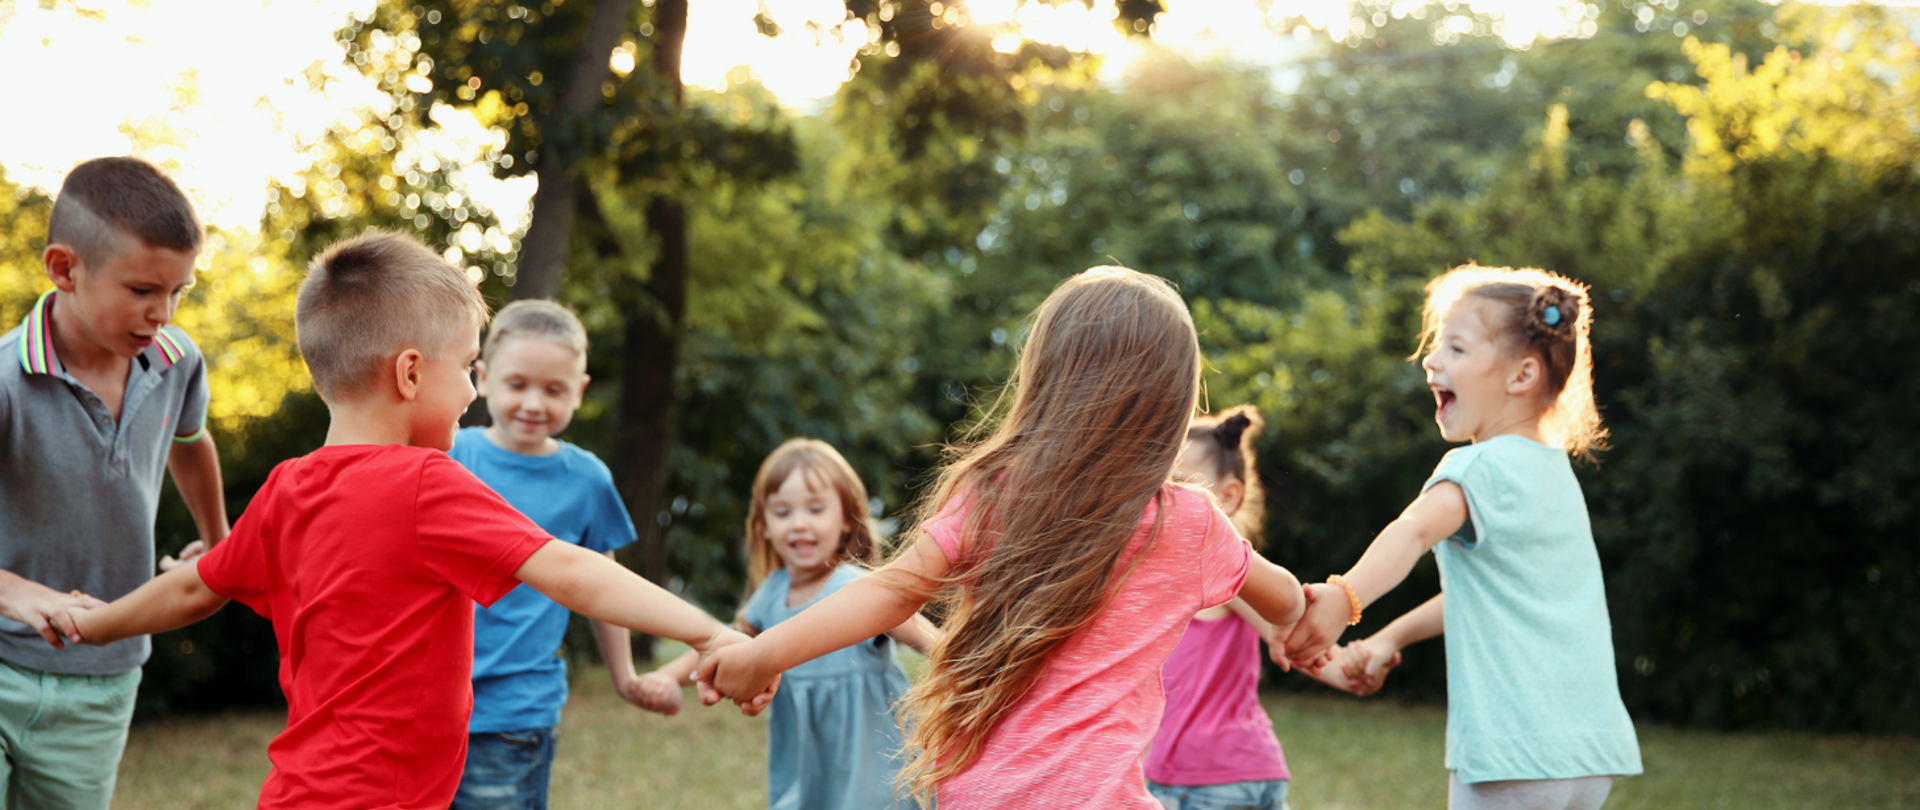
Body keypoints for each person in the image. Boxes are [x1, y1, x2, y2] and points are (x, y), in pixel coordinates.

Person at [46, 231, 767, 810]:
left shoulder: (287, 488)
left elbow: (194, 587)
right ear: (412, 374)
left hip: (301, 790)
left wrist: (94, 623)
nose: (469, 394)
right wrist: (707, 631)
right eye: (466, 368)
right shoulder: (427, 482)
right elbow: (574, 569)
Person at [696, 266, 1316, 809]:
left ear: (1045, 378)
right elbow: (1284, 599)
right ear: (1173, 402)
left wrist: (763, 654)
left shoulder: (995, 490)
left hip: (978, 795)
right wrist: (1307, 618)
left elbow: (890, 592)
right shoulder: (1189, 520)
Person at [1284, 264, 1642, 810]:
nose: (1431, 360)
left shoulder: (1476, 467)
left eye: (1455, 349)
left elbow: (1413, 530)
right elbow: (1484, 598)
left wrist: (1344, 597)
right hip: (1588, 754)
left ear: (1520, 376)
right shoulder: (1553, 474)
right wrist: (1389, 639)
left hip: (1513, 752)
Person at [0, 156, 228, 810]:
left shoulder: (177, 362)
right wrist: (17, 594)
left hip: (104, 677)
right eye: (142, 290)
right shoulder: (6, 384)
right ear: (65, 269)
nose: (163, 312)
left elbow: (191, 442)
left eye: (178, 291)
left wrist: (218, 538)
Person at [638, 439, 937, 809]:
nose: (799, 524)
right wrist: (667, 676)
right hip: (805, 762)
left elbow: (932, 641)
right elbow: (721, 647)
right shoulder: (770, 594)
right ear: (763, 525)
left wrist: (973, 663)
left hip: (872, 760)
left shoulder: (859, 588)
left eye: (815, 509)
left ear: (847, 519)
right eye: (782, 512)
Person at [447, 299, 650, 810]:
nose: (534, 403)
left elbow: (605, 587)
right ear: (484, 378)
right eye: (518, 385)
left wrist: (624, 677)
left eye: (554, 389)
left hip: (516, 713)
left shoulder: (587, 480)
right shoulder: (448, 457)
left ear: (578, 392)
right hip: (425, 704)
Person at [1147, 405, 1397, 810]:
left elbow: (1290, 631)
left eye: (1179, 485)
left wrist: (1347, 671)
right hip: (1241, 770)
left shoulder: (1221, 577)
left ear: (1228, 496)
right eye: (1158, 484)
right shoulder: (1168, 579)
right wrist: (1351, 674)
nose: (1162, 498)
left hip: (1204, 781)